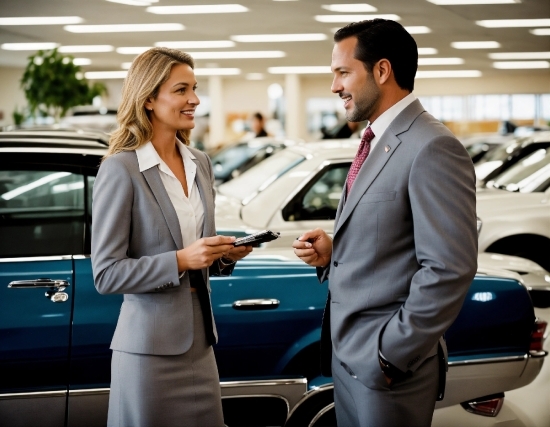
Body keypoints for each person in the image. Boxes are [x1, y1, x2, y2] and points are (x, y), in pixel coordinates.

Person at [293, 19, 477, 427]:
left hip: (388, 367)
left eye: (343, 72)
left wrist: (390, 354)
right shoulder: (376, 141)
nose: (334, 86)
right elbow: (395, 241)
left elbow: (450, 268)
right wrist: (334, 251)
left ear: (381, 70)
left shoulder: (432, 146)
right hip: (350, 358)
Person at [91, 47, 253, 427]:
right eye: (181, 90)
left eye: (194, 88)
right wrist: (182, 259)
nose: (195, 99)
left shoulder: (200, 162)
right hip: (148, 351)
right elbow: (107, 274)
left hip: (200, 344)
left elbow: (201, 251)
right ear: (149, 98)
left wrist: (225, 254)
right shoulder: (121, 170)